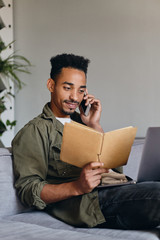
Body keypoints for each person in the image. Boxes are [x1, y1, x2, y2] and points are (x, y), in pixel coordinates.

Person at [12, 53, 160, 230]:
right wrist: (77, 186)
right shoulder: (34, 131)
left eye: (81, 90)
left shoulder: (83, 123)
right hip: (90, 204)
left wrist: (94, 124)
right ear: (51, 85)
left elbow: (113, 167)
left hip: (117, 188)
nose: (75, 97)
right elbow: (28, 190)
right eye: (67, 88)